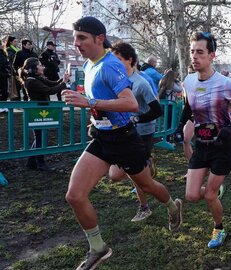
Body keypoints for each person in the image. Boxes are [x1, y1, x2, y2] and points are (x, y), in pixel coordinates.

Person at [62, 16, 182, 269]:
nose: (76, 43)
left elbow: (131, 104)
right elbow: (104, 102)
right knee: (75, 195)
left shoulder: (111, 65)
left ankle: (172, 206)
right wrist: (94, 114)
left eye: (81, 38)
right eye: (75, 38)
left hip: (125, 139)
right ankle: (98, 248)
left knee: (147, 186)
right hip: (102, 138)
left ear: (99, 38)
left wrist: (90, 103)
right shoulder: (89, 64)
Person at [178, 31, 231, 248]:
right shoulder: (188, 82)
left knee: (209, 195)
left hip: (222, 147)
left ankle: (219, 228)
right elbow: (188, 108)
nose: (195, 57)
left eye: (200, 52)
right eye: (192, 52)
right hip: (202, 144)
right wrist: (179, 127)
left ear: (212, 56)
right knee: (191, 195)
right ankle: (217, 190)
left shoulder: (225, 84)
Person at [109, 41, 163, 222]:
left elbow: (158, 111)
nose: (114, 63)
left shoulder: (141, 83)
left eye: (118, 59)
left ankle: (144, 208)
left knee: (137, 175)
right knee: (115, 175)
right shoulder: (115, 80)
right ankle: (147, 163)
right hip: (120, 131)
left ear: (130, 60)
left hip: (142, 132)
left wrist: (137, 119)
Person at [19, 57, 69, 171]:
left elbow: (52, 84)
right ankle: (40, 163)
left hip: (41, 111)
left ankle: (31, 161)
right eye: (40, 65)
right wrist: (64, 83)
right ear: (34, 68)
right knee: (39, 137)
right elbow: (50, 90)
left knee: (39, 136)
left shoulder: (37, 78)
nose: (43, 67)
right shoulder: (31, 81)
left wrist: (63, 79)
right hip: (36, 112)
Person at [3, 36, 20, 101]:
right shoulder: (9, 49)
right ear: (11, 42)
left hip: (18, 70)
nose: (16, 43)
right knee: (14, 88)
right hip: (12, 71)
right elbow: (12, 58)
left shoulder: (17, 49)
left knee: (18, 87)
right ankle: (15, 102)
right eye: (15, 41)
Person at [0, 38, 11, 107]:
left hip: (4, 76)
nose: (2, 45)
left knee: (4, 91)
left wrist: (8, 71)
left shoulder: (3, 53)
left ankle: (3, 105)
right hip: (1, 75)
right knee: (1, 91)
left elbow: (6, 64)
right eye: (0, 44)